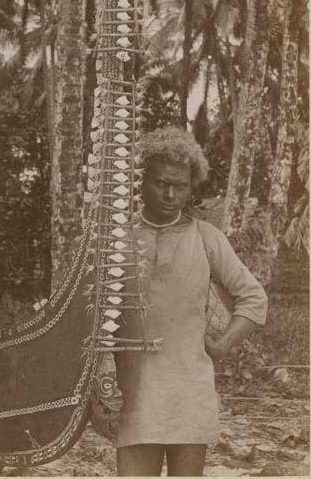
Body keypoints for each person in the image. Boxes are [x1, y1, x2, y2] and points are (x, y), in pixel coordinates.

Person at [115, 126, 268, 477]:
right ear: (141, 180)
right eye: (160, 182)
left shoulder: (206, 238)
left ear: (191, 186)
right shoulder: (117, 241)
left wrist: (222, 344)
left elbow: (254, 298)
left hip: (189, 392)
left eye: (180, 186)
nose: (170, 194)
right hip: (134, 395)